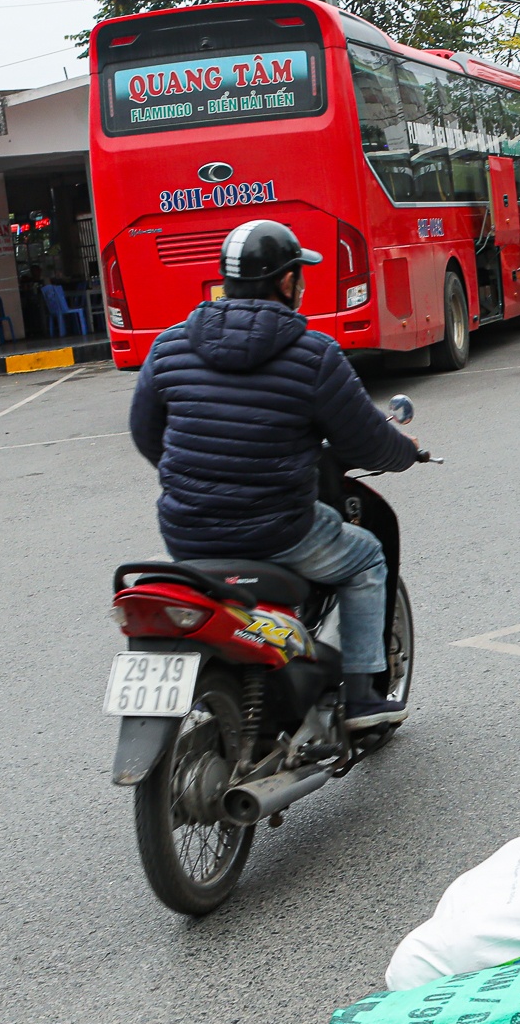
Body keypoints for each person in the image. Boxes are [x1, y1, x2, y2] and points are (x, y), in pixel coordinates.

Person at [129, 220, 418, 728]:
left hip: (186, 533)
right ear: (287, 284)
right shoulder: (313, 354)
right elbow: (366, 441)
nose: (301, 285)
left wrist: (198, 482)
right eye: (298, 276)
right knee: (367, 558)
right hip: (276, 531)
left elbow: (146, 434)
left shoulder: (168, 345)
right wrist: (406, 452)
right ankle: (362, 696)